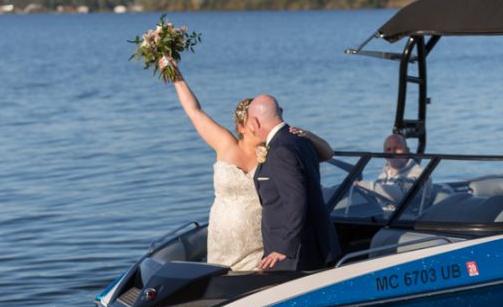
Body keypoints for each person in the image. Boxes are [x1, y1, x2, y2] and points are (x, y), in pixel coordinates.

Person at [161, 58, 334, 271]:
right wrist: (175, 74)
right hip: (223, 236)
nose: (253, 127)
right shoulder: (225, 144)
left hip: (259, 239)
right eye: (247, 123)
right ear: (242, 126)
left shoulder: (276, 149)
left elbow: (324, 156)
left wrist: (309, 135)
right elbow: (194, 112)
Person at [247, 94, 341, 271]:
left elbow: (296, 199)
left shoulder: (280, 150)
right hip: (312, 242)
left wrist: (285, 248)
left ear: (256, 122)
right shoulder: (301, 140)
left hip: (296, 253)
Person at [373, 133, 432, 207]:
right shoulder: (381, 177)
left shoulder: (421, 174)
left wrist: (363, 185)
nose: (392, 153)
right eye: (389, 150)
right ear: (384, 154)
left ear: (407, 151)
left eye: (397, 148)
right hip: (382, 216)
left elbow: (401, 192)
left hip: (408, 217)